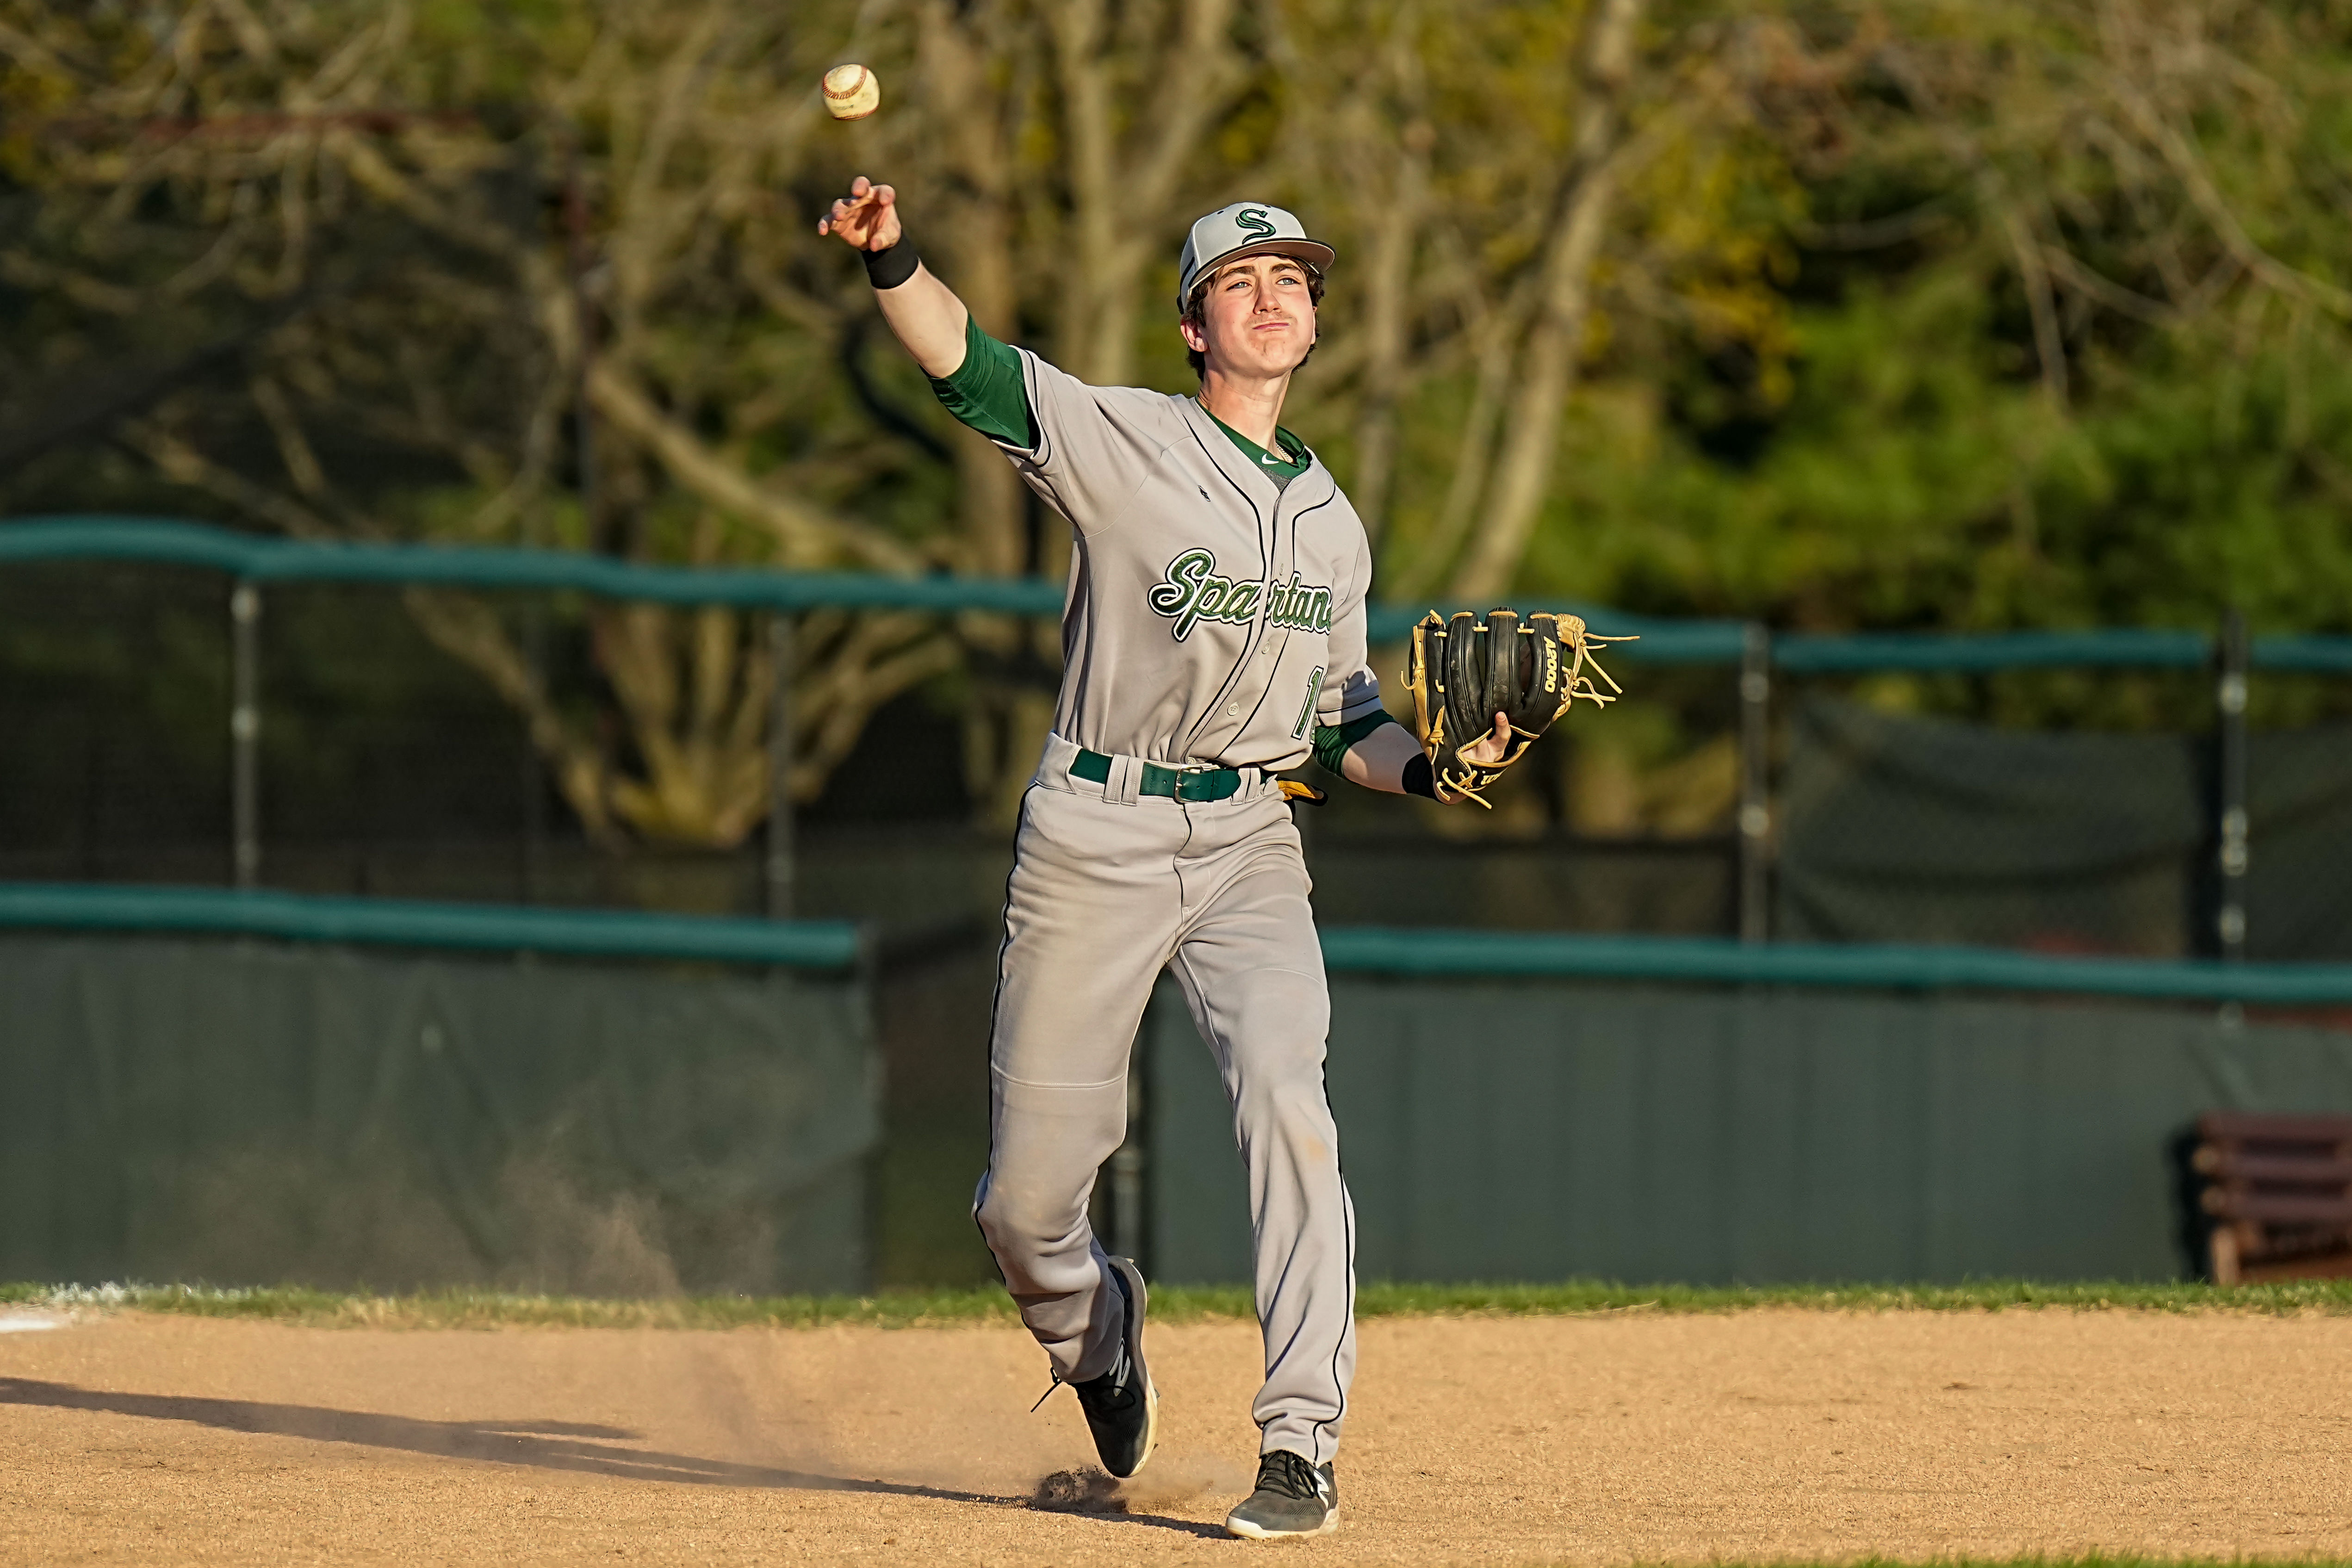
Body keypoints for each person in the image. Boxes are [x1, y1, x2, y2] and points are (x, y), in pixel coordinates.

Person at [819, 176, 1511, 1540]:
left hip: (1251, 834)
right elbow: (966, 364)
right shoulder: (1123, 440)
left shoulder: (1331, 520)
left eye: (1293, 282)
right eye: (1242, 283)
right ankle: (1093, 1330)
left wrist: (1431, 765)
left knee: (1290, 1106)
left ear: (1313, 323)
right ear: (1194, 326)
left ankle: (1300, 1441)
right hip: (1096, 828)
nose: (1272, 298)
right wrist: (891, 255)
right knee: (1024, 1208)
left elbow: (1344, 719)